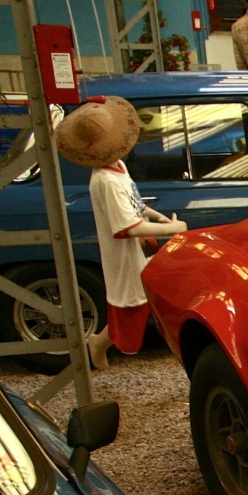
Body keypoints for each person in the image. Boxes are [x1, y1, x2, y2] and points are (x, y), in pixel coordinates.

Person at [54, 96, 187, 368]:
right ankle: (100, 343)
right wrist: (172, 228)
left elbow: (133, 202)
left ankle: (102, 343)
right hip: (126, 254)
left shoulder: (116, 168)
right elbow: (128, 227)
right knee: (132, 308)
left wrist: (155, 215)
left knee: (145, 300)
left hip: (138, 249)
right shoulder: (106, 180)